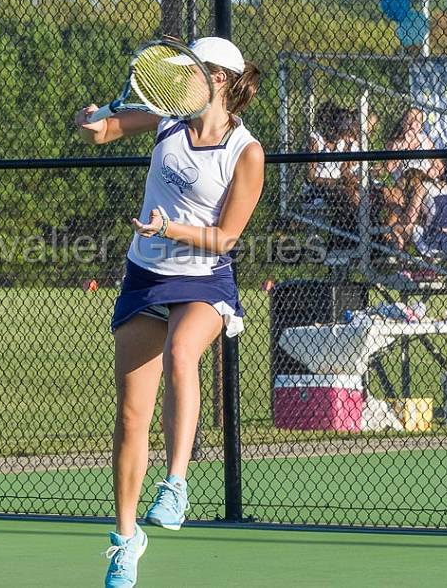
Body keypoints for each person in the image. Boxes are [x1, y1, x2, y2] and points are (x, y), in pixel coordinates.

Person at [76, 36, 263, 588]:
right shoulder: (165, 119)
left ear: (220, 80)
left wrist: (169, 228)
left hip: (203, 276)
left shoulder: (245, 152)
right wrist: (92, 118)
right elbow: (100, 132)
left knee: (183, 353)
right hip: (145, 275)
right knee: (132, 416)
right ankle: (126, 539)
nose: (177, 77)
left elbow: (227, 237)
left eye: (190, 70)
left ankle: (176, 484)